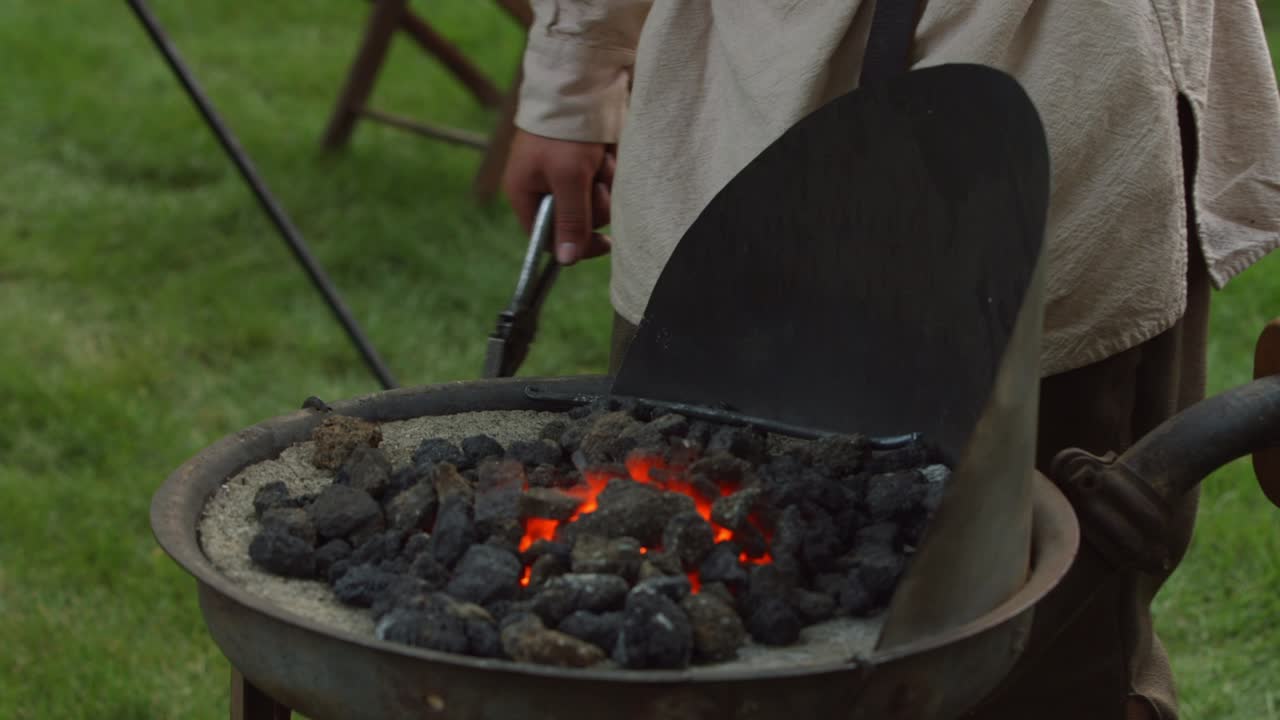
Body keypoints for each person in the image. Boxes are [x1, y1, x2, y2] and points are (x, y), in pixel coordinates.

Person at [502, 3, 1280, 718]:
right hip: (750, 115)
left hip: (1055, 97)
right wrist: (575, 66)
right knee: (692, 623)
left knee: (1046, 654)